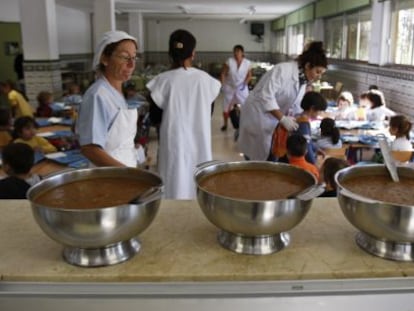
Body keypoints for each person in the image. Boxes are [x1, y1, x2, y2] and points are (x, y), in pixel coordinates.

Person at [146, 29, 221, 199]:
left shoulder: (162, 81)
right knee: (198, 184)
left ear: (170, 54)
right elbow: (207, 114)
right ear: (193, 53)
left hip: (173, 145)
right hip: (199, 143)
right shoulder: (206, 81)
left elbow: (155, 118)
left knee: (173, 183)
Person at [238, 41, 328, 160]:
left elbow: (296, 107)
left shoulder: (302, 81)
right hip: (257, 117)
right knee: (256, 160)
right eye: (317, 72)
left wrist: (310, 143)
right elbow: (266, 96)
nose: (318, 76)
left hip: (272, 120)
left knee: (269, 156)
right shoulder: (283, 70)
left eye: (321, 73)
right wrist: (283, 118)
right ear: (307, 66)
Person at [76, 30, 140, 167]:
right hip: (109, 177)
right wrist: (129, 174)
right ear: (104, 59)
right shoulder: (98, 95)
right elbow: (90, 149)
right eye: (124, 57)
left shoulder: (116, 92)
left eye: (134, 58)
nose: (131, 65)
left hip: (124, 171)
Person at [272, 91, 327, 164]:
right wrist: (314, 164)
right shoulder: (303, 124)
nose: (320, 113)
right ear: (312, 108)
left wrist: (316, 149)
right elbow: (306, 147)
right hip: (293, 161)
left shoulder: (298, 116)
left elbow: (308, 142)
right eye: (319, 111)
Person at [220, 44, 252, 131]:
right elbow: (223, 73)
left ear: (242, 53)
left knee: (246, 105)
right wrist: (222, 85)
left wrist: (245, 83)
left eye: (238, 51)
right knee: (226, 106)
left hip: (241, 87)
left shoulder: (247, 63)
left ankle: (245, 123)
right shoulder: (229, 61)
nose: (236, 53)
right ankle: (225, 124)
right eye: (235, 51)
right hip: (229, 86)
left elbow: (249, 76)